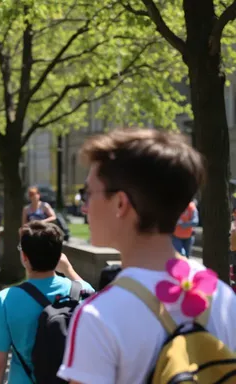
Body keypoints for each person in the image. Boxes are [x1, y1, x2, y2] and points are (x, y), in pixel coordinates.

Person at [58, 128, 236, 383]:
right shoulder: (224, 298)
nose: (84, 207)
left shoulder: (98, 316)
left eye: (89, 193)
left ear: (121, 203)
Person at [0, 222, 94, 384]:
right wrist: (68, 269)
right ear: (59, 256)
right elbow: (90, 293)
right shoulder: (83, 292)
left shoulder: (7, 298)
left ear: (24, 257)